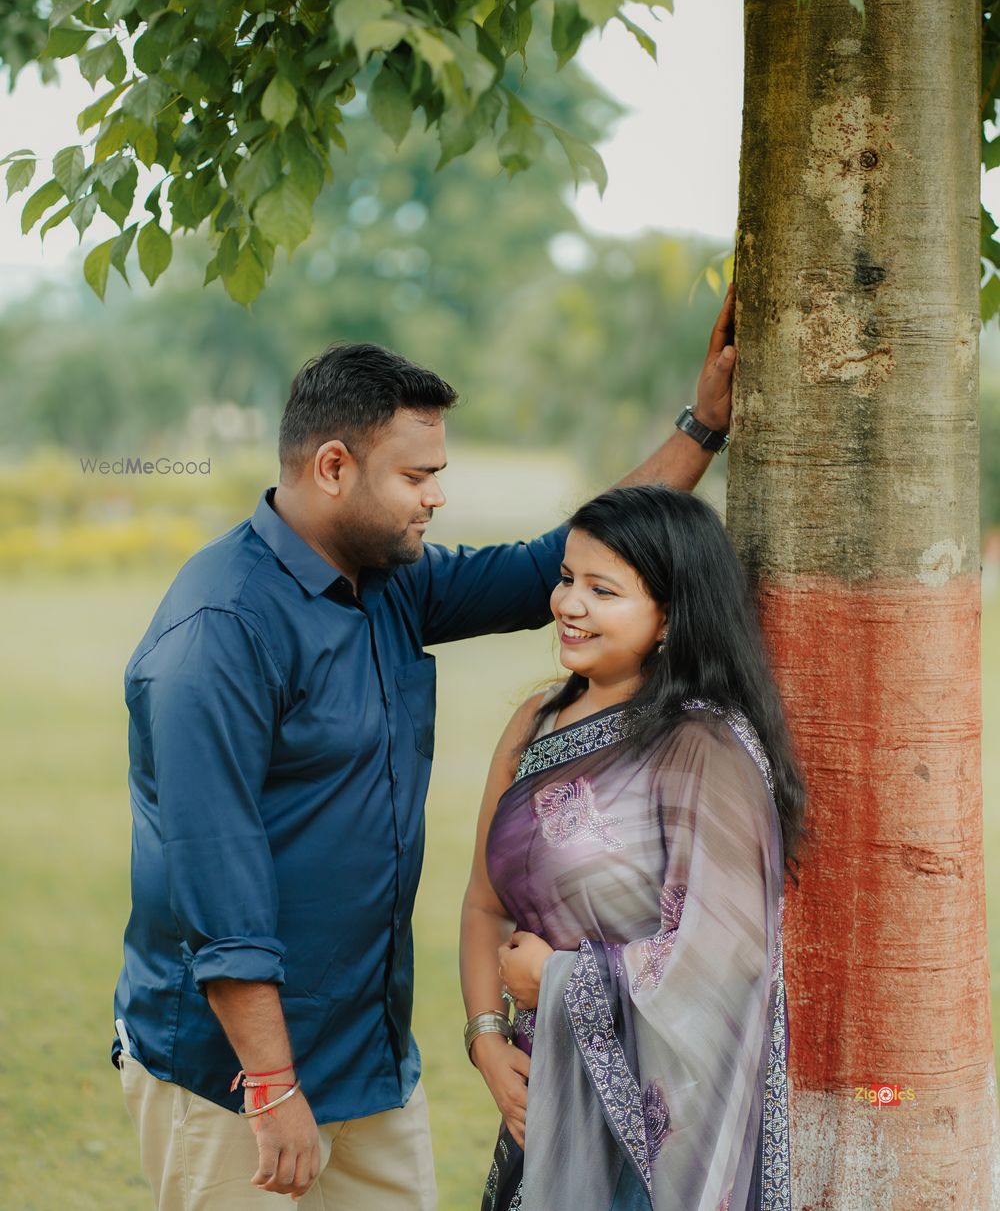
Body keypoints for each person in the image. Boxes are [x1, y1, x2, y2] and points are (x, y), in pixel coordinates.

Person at [113, 291, 735, 1211]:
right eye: (418, 476)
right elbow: (214, 884)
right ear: (333, 467)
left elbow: (549, 565)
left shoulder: (394, 583)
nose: (438, 495)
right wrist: (272, 1084)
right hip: (233, 1080)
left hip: (368, 1060)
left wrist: (702, 430)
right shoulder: (220, 631)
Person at [460, 482, 807, 1211]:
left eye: (602, 589)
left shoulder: (703, 746)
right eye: (565, 578)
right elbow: (485, 904)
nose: (567, 604)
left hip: (657, 1130)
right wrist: (489, 1040)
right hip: (536, 1088)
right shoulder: (538, 721)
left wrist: (559, 980)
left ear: (669, 617)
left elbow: (726, 960)